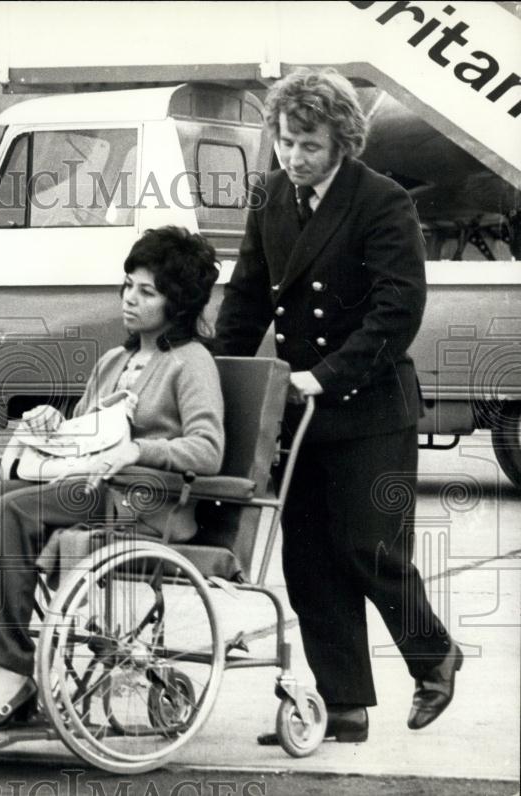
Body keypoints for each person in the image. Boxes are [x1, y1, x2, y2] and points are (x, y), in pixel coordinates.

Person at [213, 68, 461, 744]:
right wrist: (218, 375)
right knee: (310, 564)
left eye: (309, 145)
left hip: (370, 406)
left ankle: (434, 655)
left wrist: (326, 375)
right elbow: (246, 298)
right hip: (300, 410)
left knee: (371, 548)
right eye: (285, 141)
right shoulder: (271, 195)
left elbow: (398, 309)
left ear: (343, 141)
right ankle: (343, 707)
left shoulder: (382, 200)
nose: (294, 157)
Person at [0, 226, 225, 731]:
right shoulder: (115, 361)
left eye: (147, 292)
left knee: (11, 510)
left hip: (141, 502)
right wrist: (53, 425)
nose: (130, 299)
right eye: (128, 285)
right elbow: (84, 435)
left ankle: (13, 672)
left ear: (178, 303)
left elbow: (208, 449)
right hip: (88, 489)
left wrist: (140, 449)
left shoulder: (191, 363)